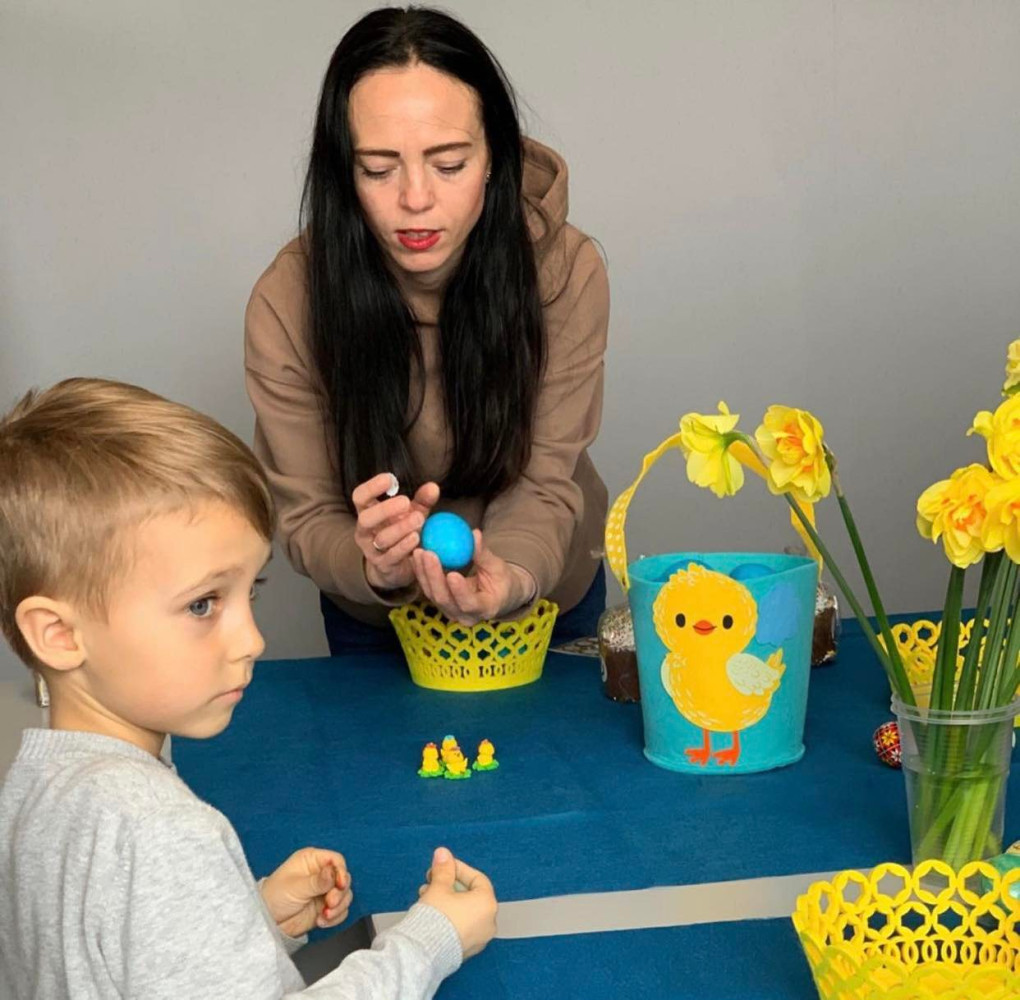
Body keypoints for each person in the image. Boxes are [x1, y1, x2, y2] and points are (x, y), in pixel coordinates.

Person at [0, 378, 497, 999]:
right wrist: (429, 942)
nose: (253, 640)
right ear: (58, 635)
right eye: (203, 604)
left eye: (249, 592)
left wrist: (249, 917)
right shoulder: (163, 829)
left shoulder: (31, 788)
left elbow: (104, 962)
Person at [245, 6, 609, 655]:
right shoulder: (287, 301)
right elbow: (308, 513)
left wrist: (511, 577)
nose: (415, 199)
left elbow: (544, 480)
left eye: (449, 164)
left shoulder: (565, 272)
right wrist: (370, 564)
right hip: (377, 618)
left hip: (542, 594)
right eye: (378, 169)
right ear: (344, 174)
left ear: (493, 158)